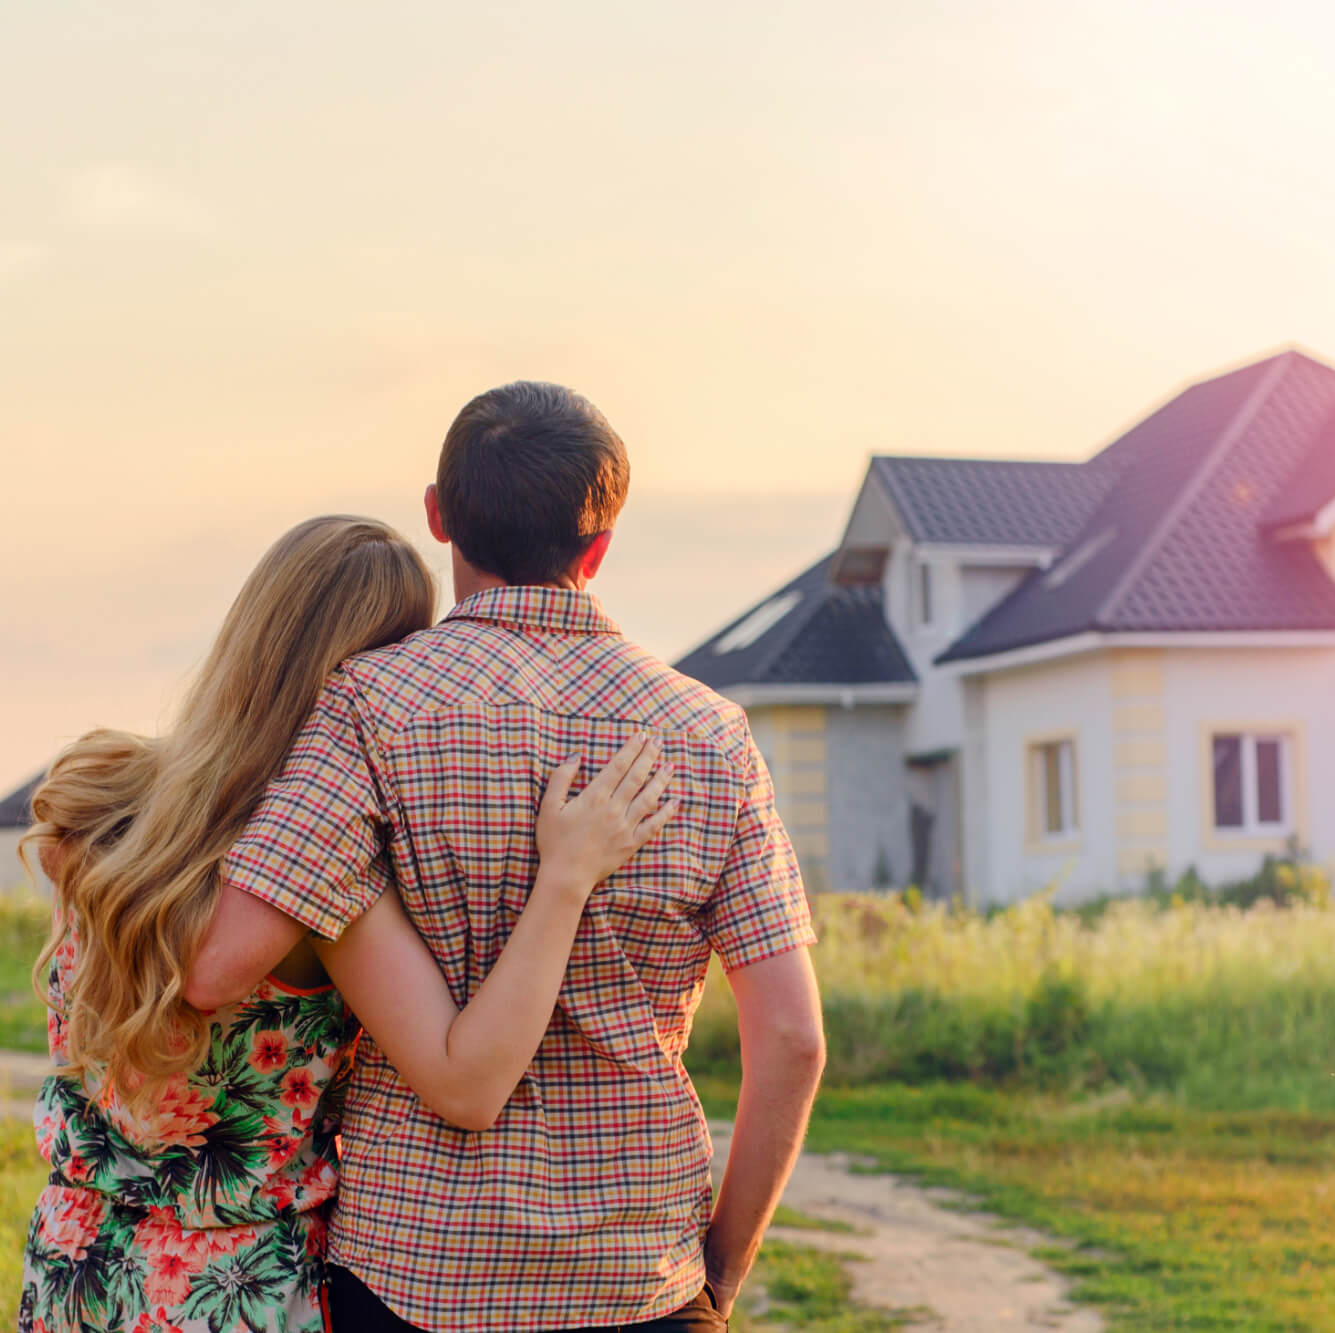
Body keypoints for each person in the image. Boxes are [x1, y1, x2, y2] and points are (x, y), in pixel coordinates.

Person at [185, 382, 827, 1332]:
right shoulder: (711, 734)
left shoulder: (371, 704)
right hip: (637, 1273)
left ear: (439, 514)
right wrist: (718, 1277)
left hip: (416, 1273)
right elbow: (792, 1040)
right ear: (599, 544)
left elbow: (230, 954)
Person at [18, 515, 681, 1333]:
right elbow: (466, 1080)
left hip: (76, 1268)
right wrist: (566, 878)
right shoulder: (323, 889)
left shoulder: (102, 799)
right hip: (236, 1293)